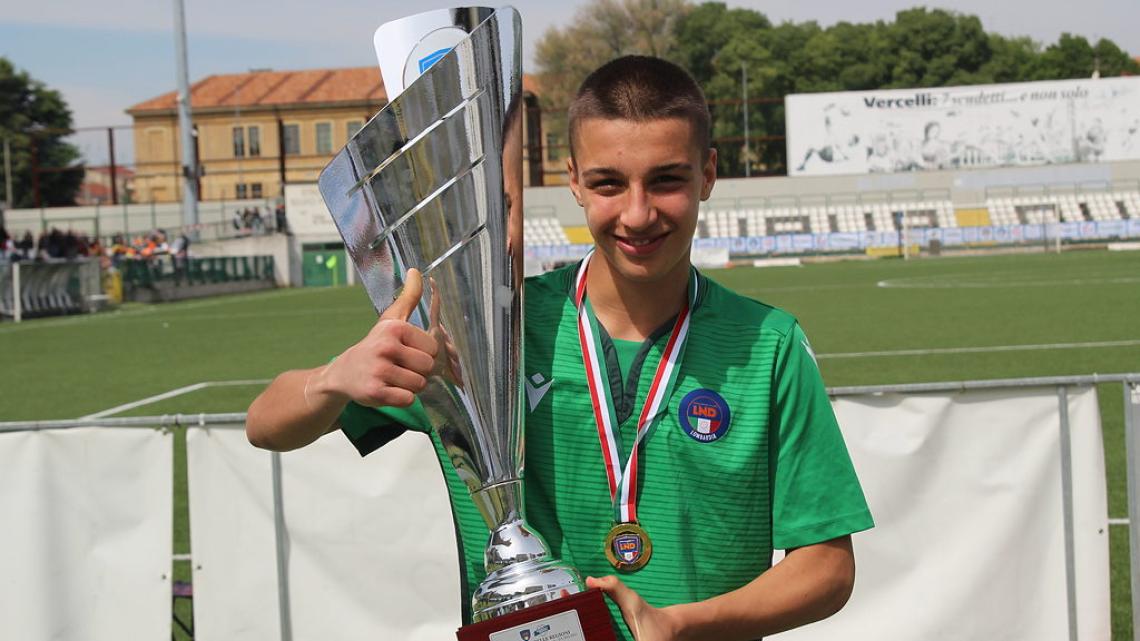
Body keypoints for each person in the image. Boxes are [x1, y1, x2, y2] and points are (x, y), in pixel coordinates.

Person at [247, 55, 872, 641]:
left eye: (666, 180)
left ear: (707, 174)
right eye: (608, 183)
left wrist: (680, 625)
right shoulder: (487, 333)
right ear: (573, 180)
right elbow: (265, 425)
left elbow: (827, 566)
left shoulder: (768, 345)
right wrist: (335, 377)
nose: (637, 213)